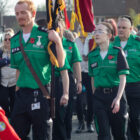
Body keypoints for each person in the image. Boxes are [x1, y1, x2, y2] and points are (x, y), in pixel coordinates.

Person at [10, 0, 65, 140]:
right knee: (16, 136)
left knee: (42, 136)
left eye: (23, 12)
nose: (19, 16)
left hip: (40, 94)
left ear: (33, 14)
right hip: (21, 95)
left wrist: (58, 42)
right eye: (17, 13)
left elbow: (60, 62)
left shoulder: (45, 34)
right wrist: (17, 92)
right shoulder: (15, 40)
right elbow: (18, 70)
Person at [88, 22, 129, 140]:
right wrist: (95, 94)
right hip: (99, 98)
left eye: (100, 31)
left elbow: (123, 78)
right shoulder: (92, 55)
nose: (96, 34)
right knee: (103, 135)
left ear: (109, 35)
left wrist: (118, 99)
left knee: (120, 135)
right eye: (95, 31)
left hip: (116, 95)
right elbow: (92, 77)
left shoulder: (117, 52)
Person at [52, 19, 82, 140]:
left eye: (58, 26)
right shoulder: (47, 44)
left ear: (63, 28)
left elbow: (76, 63)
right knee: (56, 116)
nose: (56, 29)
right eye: (54, 26)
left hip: (67, 81)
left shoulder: (70, 44)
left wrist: (79, 81)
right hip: (51, 81)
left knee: (67, 115)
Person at [113, 16, 140, 140]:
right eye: (119, 27)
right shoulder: (113, 44)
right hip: (118, 87)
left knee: (135, 117)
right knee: (122, 118)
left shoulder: (138, 43)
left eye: (124, 27)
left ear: (131, 29)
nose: (121, 30)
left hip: (136, 85)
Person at [75, 30, 95, 133]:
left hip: (90, 73)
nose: (82, 30)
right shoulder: (75, 41)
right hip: (79, 74)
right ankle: (80, 122)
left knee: (91, 99)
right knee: (79, 99)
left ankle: (89, 122)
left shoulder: (93, 40)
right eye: (80, 28)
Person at [0, 29, 16, 119]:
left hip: (14, 82)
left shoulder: (16, 50)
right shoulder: (1, 51)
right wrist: (6, 61)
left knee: (15, 104)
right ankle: (6, 121)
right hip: (3, 83)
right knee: (3, 103)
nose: (7, 41)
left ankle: (13, 123)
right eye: (5, 39)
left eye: (9, 39)